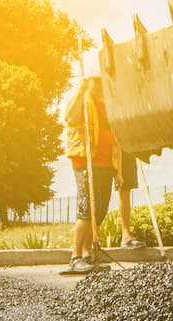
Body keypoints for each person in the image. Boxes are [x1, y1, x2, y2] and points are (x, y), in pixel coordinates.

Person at [63, 77, 119, 276]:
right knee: (86, 209)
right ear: (89, 83)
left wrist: (118, 171)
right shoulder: (82, 101)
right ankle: (75, 257)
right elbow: (69, 117)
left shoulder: (108, 103)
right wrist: (80, 90)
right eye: (96, 82)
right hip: (86, 162)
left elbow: (115, 137)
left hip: (106, 164)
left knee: (99, 212)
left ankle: (87, 256)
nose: (99, 87)